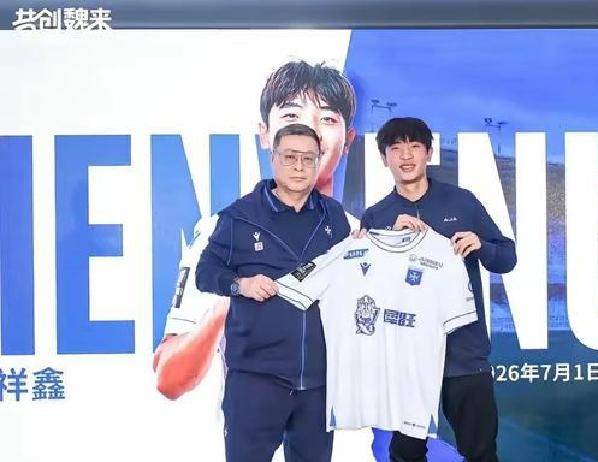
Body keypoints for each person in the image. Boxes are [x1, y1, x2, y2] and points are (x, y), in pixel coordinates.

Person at [153, 60, 371, 461]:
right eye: (291, 116)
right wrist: (234, 295)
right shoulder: (228, 224)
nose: (308, 130)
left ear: (347, 140)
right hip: (254, 398)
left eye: (327, 119)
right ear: (266, 135)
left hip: (324, 410)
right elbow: (168, 376)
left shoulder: (355, 233)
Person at [361, 117, 517, 462]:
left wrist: (481, 245)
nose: (406, 156)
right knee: (405, 455)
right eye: (396, 148)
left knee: (481, 453)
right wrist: (388, 243)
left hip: (465, 356)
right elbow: (367, 292)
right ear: (384, 158)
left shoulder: (462, 202)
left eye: (414, 146)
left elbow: (507, 258)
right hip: (407, 364)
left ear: (429, 153)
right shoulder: (377, 216)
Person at [195, 123, 350, 462]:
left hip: (319, 381)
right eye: (290, 157)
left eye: (308, 158)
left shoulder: (334, 216)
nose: (299, 167)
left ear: (319, 161)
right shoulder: (240, 217)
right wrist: (241, 284)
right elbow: (204, 274)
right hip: (257, 378)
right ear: (273, 158)